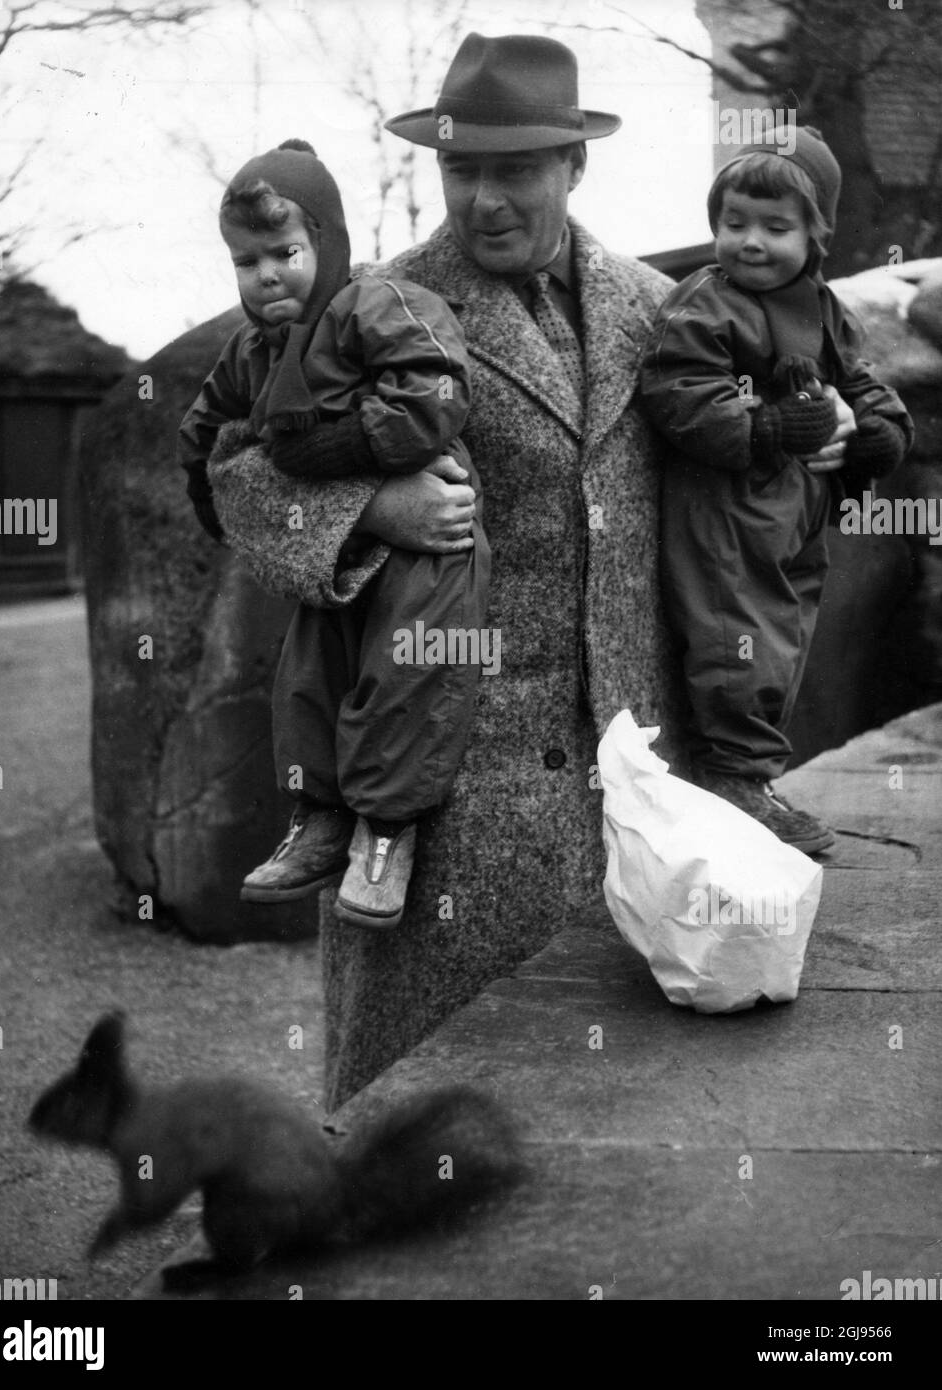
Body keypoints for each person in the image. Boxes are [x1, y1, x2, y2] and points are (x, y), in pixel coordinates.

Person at [207, 33, 685, 1108]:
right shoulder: (366, 303)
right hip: (428, 804)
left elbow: (736, 472)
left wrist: (830, 428)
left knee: (610, 1135)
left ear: (574, 164)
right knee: (412, 1133)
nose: (484, 199)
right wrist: (371, 503)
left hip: (629, 798)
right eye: (462, 170)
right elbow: (233, 472)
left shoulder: (654, 309)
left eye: (515, 170)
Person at [178, 139, 490, 931]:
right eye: (247, 262)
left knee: (408, 674)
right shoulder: (251, 352)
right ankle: (319, 814)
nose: (268, 275)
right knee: (307, 676)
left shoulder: (373, 305)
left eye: (285, 251)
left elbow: (433, 393)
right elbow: (208, 429)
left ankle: (387, 830)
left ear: (327, 242)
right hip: (339, 552)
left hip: (428, 540)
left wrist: (337, 446)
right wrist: (212, 497)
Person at [639, 126, 913, 853]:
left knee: (785, 638)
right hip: (724, 515)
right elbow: (677, 395)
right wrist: (765, 427)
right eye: (733, 224)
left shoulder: (823, 308)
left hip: (796, 516)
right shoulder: (703, 304)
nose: (749, 242)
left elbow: (861, 384)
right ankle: (730, 776)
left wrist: (879, 434)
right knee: (737, 638)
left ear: (814, 233)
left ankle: (753, 777)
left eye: (773, 227)